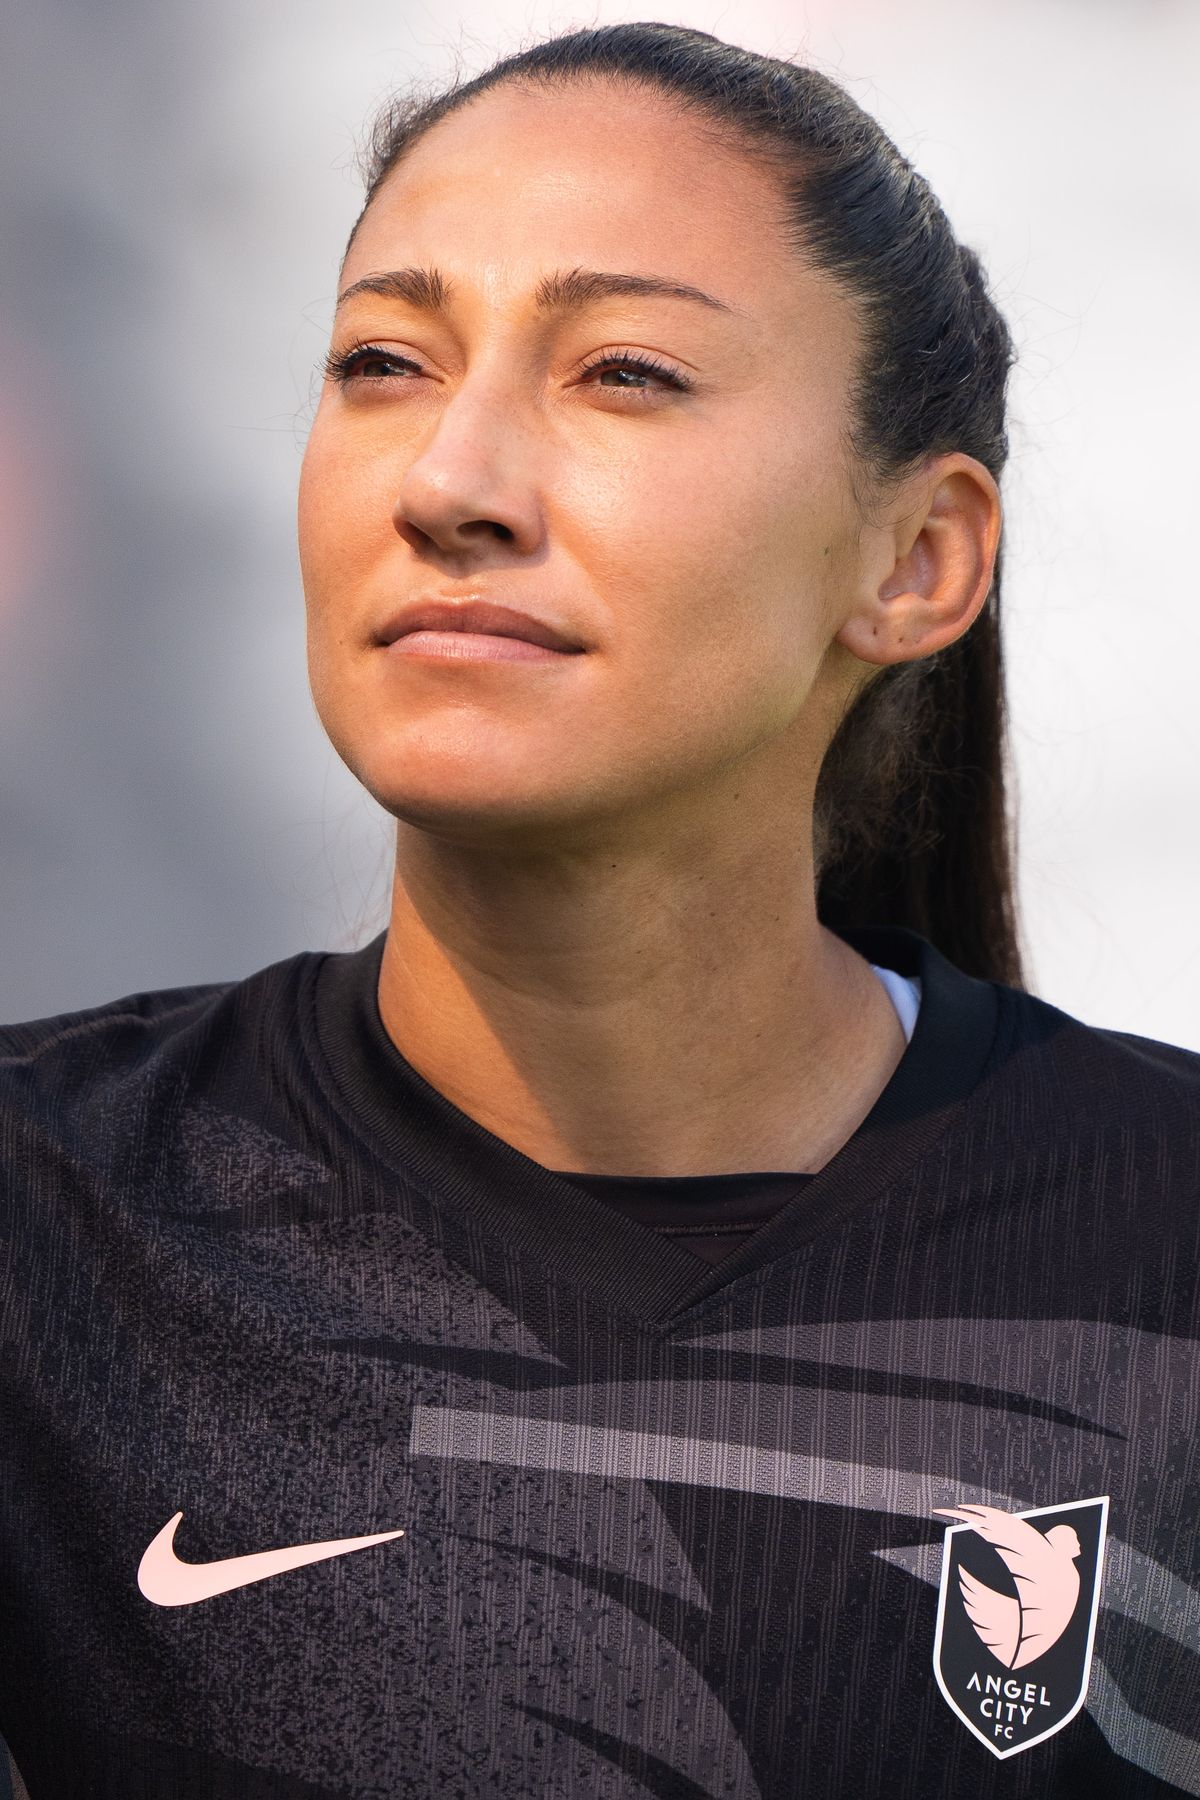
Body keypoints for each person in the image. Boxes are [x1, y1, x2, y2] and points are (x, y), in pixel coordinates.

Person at [1, 20, 1196, 1799]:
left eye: (623, 372)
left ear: (918, 557)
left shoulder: (1164, 1239)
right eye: (383, 363)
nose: (448, 485)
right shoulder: (44, 1227)